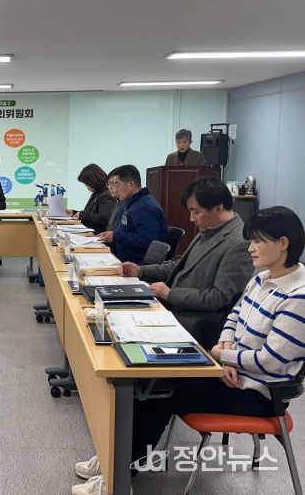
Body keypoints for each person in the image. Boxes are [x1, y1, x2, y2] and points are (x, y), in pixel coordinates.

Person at [73, 206, 305, 495]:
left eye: (258, 241)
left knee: (160, 397)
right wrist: (225, 350)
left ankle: (117, 478)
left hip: (259, 393)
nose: (251, 248)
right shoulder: (262, 278)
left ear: (283, 243)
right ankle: (115, 460)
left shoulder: (298, 296)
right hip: (233, 372)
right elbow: (233, 317)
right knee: (148, 381)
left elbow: (272, 360)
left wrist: (221, 356)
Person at [119, 177, 254, 348]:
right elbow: (179, 266)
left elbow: (219, 298)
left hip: (194, 323)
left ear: (218, 208)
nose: (191, 219)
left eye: (195, 212)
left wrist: (170, 294)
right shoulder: (210, 228)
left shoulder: (239, 243)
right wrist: (140, 271)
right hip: (172, 309)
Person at [97, 165, 167, 264]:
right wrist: (112, 234)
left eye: (117, 185)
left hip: (135, 264)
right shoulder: (130, 202)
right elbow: (125, 231)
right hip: (122, 257)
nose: (115, 190)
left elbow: (147, 241)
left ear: (130, 184)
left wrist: (116, 236)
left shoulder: (145, 207)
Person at [65, 164, 115, 234]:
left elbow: (104, 219)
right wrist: (74, 212)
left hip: (97, 235)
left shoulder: (107, 195)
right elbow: (90, 213)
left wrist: (82, 214)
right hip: (89, 231)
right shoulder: (96, 193)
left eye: (86, 183)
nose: (86, 186)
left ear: (93, 181)